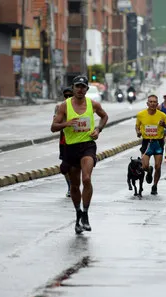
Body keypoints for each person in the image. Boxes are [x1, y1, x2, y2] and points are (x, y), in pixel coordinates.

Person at [51, 75, 108, 234]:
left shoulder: (93, 104)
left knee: (87, 178)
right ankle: (78, 214)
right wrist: (66, 124)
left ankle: (86, 214)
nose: (80, 89)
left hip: (88, 146)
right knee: (75, 185)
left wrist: (98, 129)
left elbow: (104, 116)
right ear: (73, 87)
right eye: (77, 86)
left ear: (87, 89)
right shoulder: (64, 106)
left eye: (83, 87)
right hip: (71, 148)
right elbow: (53, 127)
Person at [136, 95, 166, 195]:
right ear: (147, 104)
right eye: (150, 102)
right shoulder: (141, 114)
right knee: (144, 166)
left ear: (157, 104)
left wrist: (164, 125)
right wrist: (138, 132)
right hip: (146, 142)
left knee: (158, 166)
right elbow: (137, 126)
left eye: (154, 102)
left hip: (158, 143)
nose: (152, 103)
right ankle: (149, 171)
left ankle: (155, 185)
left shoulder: (162, 115)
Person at [54, 87, 74, 197]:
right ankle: (70, 187)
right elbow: (55, 125)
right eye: (65, 96)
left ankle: (76, 186)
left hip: (80, 140)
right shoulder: (59, 107)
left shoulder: (81, 106)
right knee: (65, 167)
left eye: (70, 95)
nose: (67, 98)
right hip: (65, 140)